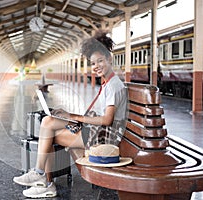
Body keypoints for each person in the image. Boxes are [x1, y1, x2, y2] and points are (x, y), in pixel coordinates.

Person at [13, 30, 128, 198]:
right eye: (92, 63)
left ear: (110, 59)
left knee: (49, 131)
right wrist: (70, 115)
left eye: (100, 61)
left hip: (104, 138)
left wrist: (75, 118)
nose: (96, 66)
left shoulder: (113, 86)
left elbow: (107, 120)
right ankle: (41, 177)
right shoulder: (108, 83)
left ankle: (43, 179)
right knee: (48, 121)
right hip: (96, 131)